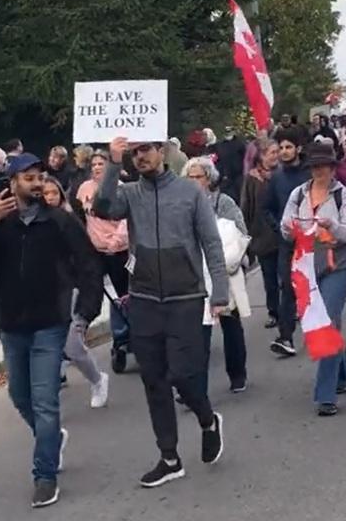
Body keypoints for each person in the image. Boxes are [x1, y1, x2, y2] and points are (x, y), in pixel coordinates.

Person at [0, 155, 101, 508]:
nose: (38, 183)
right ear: (12, 183)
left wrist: (85, 313)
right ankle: (51, 438)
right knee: (20, 396)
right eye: (29, 177)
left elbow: (88, 264)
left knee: (45, 400)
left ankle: (45, 475)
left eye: (40, 176)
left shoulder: (58, 222)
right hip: (12, 324)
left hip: (50, 323)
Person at [92, 136, 228, 489]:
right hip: (145, 299)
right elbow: (104, 207)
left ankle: (207, 419)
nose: (140, 158)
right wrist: (112, 162)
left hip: (186, 296)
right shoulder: (131, 194)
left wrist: (220, 291)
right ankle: (169, 457)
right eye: (134, 153)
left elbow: (211, 243)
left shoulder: (189, 192)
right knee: (153, 380)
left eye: (145, 150)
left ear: (161, 151)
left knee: (183, 375)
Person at [278, 142, 346, 417]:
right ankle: (344, 368)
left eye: (324, 165)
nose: (320, 170)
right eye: (315, 166)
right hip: (306, 266)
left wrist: (331, 225)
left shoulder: (343, 196)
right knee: (323, 323)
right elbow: (286, 226)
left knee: (325, 322)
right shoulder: (298, 194)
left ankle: (325, 395)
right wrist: (289, 229)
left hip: (338, 265)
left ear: (333, 167)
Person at [42, 175, 110, 409]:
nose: (49, 198)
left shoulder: (69, 222)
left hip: (74, 292)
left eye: (53, 193)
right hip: (45, 295)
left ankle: (98, 380)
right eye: (44, 193)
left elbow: (88, 261)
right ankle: (47, 401)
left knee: (72, 345)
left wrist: (88, 299)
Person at [185, 157, 249, 395]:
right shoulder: (181, 204)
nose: (193, 182)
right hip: (195, 275)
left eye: (198, 177)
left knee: (230, 325)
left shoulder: (223, 202)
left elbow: (240, 232)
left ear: (209, 178)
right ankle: (194, 386)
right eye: (189, 177)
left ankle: (237, 374)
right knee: (197, 332)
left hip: (223, 273)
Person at [75, 152, 132, 373]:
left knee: (123, 296)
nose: (97, 167)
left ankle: (130, 334)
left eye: (102, 163)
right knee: (94, 294)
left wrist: (116, 241)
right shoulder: (84, 190)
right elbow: (79, 216)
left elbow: (126, 220)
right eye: (95, 164)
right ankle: (82, 337)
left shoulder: (121, 188)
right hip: (95, 251)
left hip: (118, 250)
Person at [263, 126, 309, 357]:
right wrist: (279, 227)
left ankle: (321, 333)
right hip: (287, 242)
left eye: (288, 147)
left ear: (298, 149)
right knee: (287, 289)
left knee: (312, 289)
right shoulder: (276, 178)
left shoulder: (310, 174)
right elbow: (268, 208)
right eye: (280, 148)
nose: (283, 151)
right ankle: (286, 336)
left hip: (313, 242)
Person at [240, 138, 281, 331]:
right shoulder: (252, 178)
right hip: (263, 234)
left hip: (284, 232)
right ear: (262, 156)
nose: (276, 155)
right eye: (272, 152)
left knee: (288, 276)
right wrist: (245, 233)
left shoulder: (282, 174)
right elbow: (246, 206)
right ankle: (274, 312)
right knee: (270, 277)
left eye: (277, 151)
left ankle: (293, 308)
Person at [213, 126, 246, 199]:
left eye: (230, 131)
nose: (228, 133)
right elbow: (217, 159)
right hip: (224, 176)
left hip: (238, 176)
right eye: (227, 132)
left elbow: (245, 159)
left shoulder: (240, 144)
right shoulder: (219, 145)